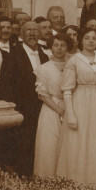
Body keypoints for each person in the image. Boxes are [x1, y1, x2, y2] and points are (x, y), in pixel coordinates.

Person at [56, 27, 96, 190]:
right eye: (87, 38)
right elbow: (67, 90)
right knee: (79, 143)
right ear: (81, 40)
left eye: (94, 38)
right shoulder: (74, 61)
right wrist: (71, 115)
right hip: (80, 103)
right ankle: (77, 185)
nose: (91, 41)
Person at [0, 21, 49, 175]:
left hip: (42, 107)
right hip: (22, 108)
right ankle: (24, 177)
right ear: (21, 34)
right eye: (28, 30)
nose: (32, 33)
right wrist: (14, 109)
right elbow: (7, 84)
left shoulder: (44, 55)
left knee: (39, 142)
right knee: (23, 143)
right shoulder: (13, 55)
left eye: (35, 30)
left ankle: (37, 174)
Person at [33, 33, 69, 177]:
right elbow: (42, 94)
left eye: (63, 45)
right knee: (50, 145)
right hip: (51, 109)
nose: (59, 48)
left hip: (70, 106)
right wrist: (60, 110)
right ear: (51, 47)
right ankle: (48, 182)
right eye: (56, 45)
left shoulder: (73, 65)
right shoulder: (44, 68)